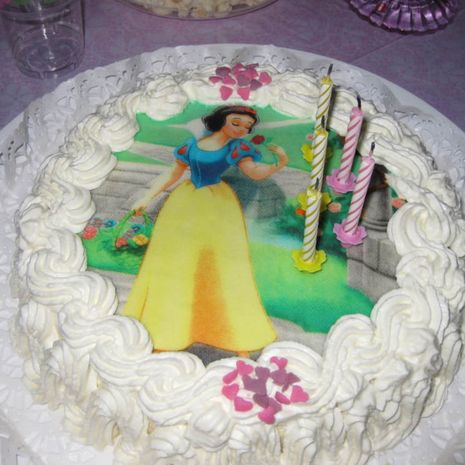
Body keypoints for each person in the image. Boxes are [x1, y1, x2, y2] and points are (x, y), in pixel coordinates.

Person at [123, 105, 288, 354]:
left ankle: (236, 339)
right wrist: (147, 197)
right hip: (184, 205)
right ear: (221, 120)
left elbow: (254, 172)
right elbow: (173, 174)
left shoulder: (237, 148)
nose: (241, 129)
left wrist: (279, 163)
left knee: (222, 267)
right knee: (176, 265)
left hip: (218, 208)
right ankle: (165, 334)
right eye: (236, 122)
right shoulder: (190, 146)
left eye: (247, 127)